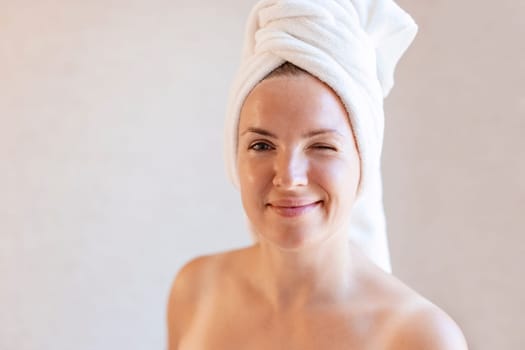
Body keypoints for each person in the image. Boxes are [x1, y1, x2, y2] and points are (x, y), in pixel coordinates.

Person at [167, 1, 468, 349]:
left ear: (363, 161)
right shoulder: (195, 290)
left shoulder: (418, 336)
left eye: (322, 146)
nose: (289, 177)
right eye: (262, 146)